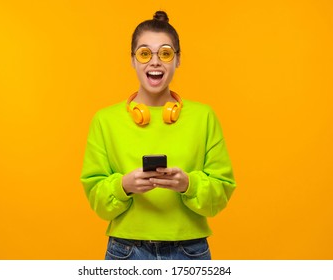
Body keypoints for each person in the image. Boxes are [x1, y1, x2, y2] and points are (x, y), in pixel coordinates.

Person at [80, 11, 236, 260]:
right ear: (132, 60)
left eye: (165, 53)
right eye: (144, 53)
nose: (155, 62)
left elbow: (222, 191)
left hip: (190, 250)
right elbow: (97, 199)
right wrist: (123, 186)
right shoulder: (104, 120)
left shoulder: (204, 117)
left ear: (178, 59)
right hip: (126, 251)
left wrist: (188, 184)